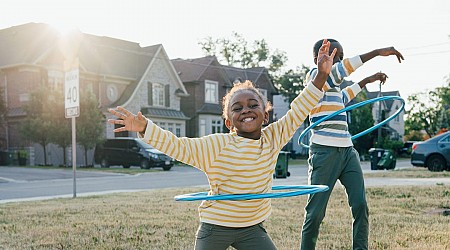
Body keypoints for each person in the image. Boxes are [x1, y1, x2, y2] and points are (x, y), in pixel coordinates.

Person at [107, 39, 337, 250]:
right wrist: (146, 127)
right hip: (216, 226)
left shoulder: (273, 138)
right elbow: (177, 146)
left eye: (252, 105)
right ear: (228, 122)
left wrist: (320, 77)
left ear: (265, 115)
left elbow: (299, 110)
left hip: (252, 228)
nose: (245, 110)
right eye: (237, 108)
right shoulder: (216, 145)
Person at [300, 38, 404, 250]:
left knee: (360, 205)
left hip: (348, 151)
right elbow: (340, 72)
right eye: (334, 57)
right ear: (316, 59)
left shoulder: (334, 90)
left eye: (340, 57)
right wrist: (376, 51)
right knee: (315, 213)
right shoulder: (314, 79)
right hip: (324, 152)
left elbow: (346, 94)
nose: (338, 62)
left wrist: (368, 79)